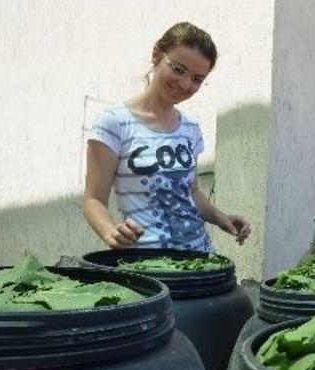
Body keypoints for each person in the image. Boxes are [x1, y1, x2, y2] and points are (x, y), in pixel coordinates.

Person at [83, 22, 249, 251]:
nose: (185, 84)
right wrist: (109, 230)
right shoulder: (114, 123)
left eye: (197, 79)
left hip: (200, 260)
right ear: (156, 55)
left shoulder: (190, 127)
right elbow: (93, 200)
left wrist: (222, 218)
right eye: (178, 69)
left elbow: (191, 192)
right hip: (147, 267)